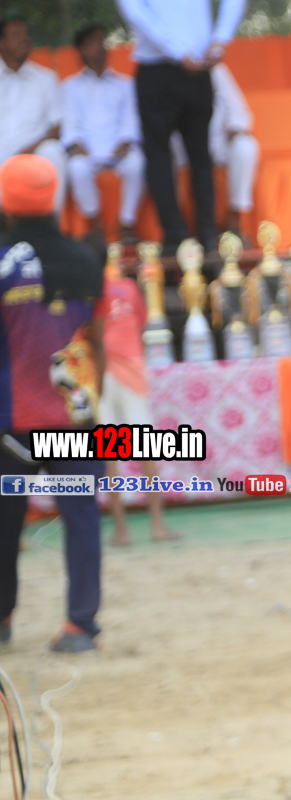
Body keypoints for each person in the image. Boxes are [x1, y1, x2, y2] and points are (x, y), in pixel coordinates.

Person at [0, 155, 108, 653]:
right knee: (81, 519)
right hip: (74, 416)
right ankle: (80, 625)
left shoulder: (5, 261)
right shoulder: (85, 258)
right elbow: (97, 343)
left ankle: (3, 619)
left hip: (11, 421)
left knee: (4, 524)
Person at [115, 0, 247, 258]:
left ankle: (194, 237)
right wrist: (216, 41)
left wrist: (217, 40)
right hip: (177, 66)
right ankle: (193, 236)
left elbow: (135, 12)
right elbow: (135, 12)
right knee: (182, 156)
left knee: (182, 156)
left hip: (181, 66)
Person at [97, 251, 179, 546]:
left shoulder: (90, 289)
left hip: (101, 370)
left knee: (108, 454)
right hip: (131, 370)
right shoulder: (130, 288)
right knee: (146, 450)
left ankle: (121, 531)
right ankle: (157, 524)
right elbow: (143, 321)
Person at [62, 24, 145, 245]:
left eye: (101, 41)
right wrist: (76, 144)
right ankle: (95, 223)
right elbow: (69, 123)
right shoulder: (70, 87)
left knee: (137, 164)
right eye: (93, 43)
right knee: (77, 168)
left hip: (119, 149)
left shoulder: (125, 84)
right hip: (86, 149)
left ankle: (126, 225)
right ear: (81, 51)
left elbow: (131, 119)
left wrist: (126, 141)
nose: (100, 47)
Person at [171, 63, 259, 241]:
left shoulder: (215, 69)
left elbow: (237, 108)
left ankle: (234, 219)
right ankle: (180, 229)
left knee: (245, 146)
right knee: (159, 157)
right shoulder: (165, 69)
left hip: (218, 142)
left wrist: (235, 127)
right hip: (182, 147)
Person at [0, 17, 68, 215]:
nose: (25, 39)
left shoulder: (45, 79)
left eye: (26, 35)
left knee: (53, 151)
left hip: (33, 152)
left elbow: (56, 128)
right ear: (2, 43)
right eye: (16, 35)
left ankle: (51, 223)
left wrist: (26, 151)